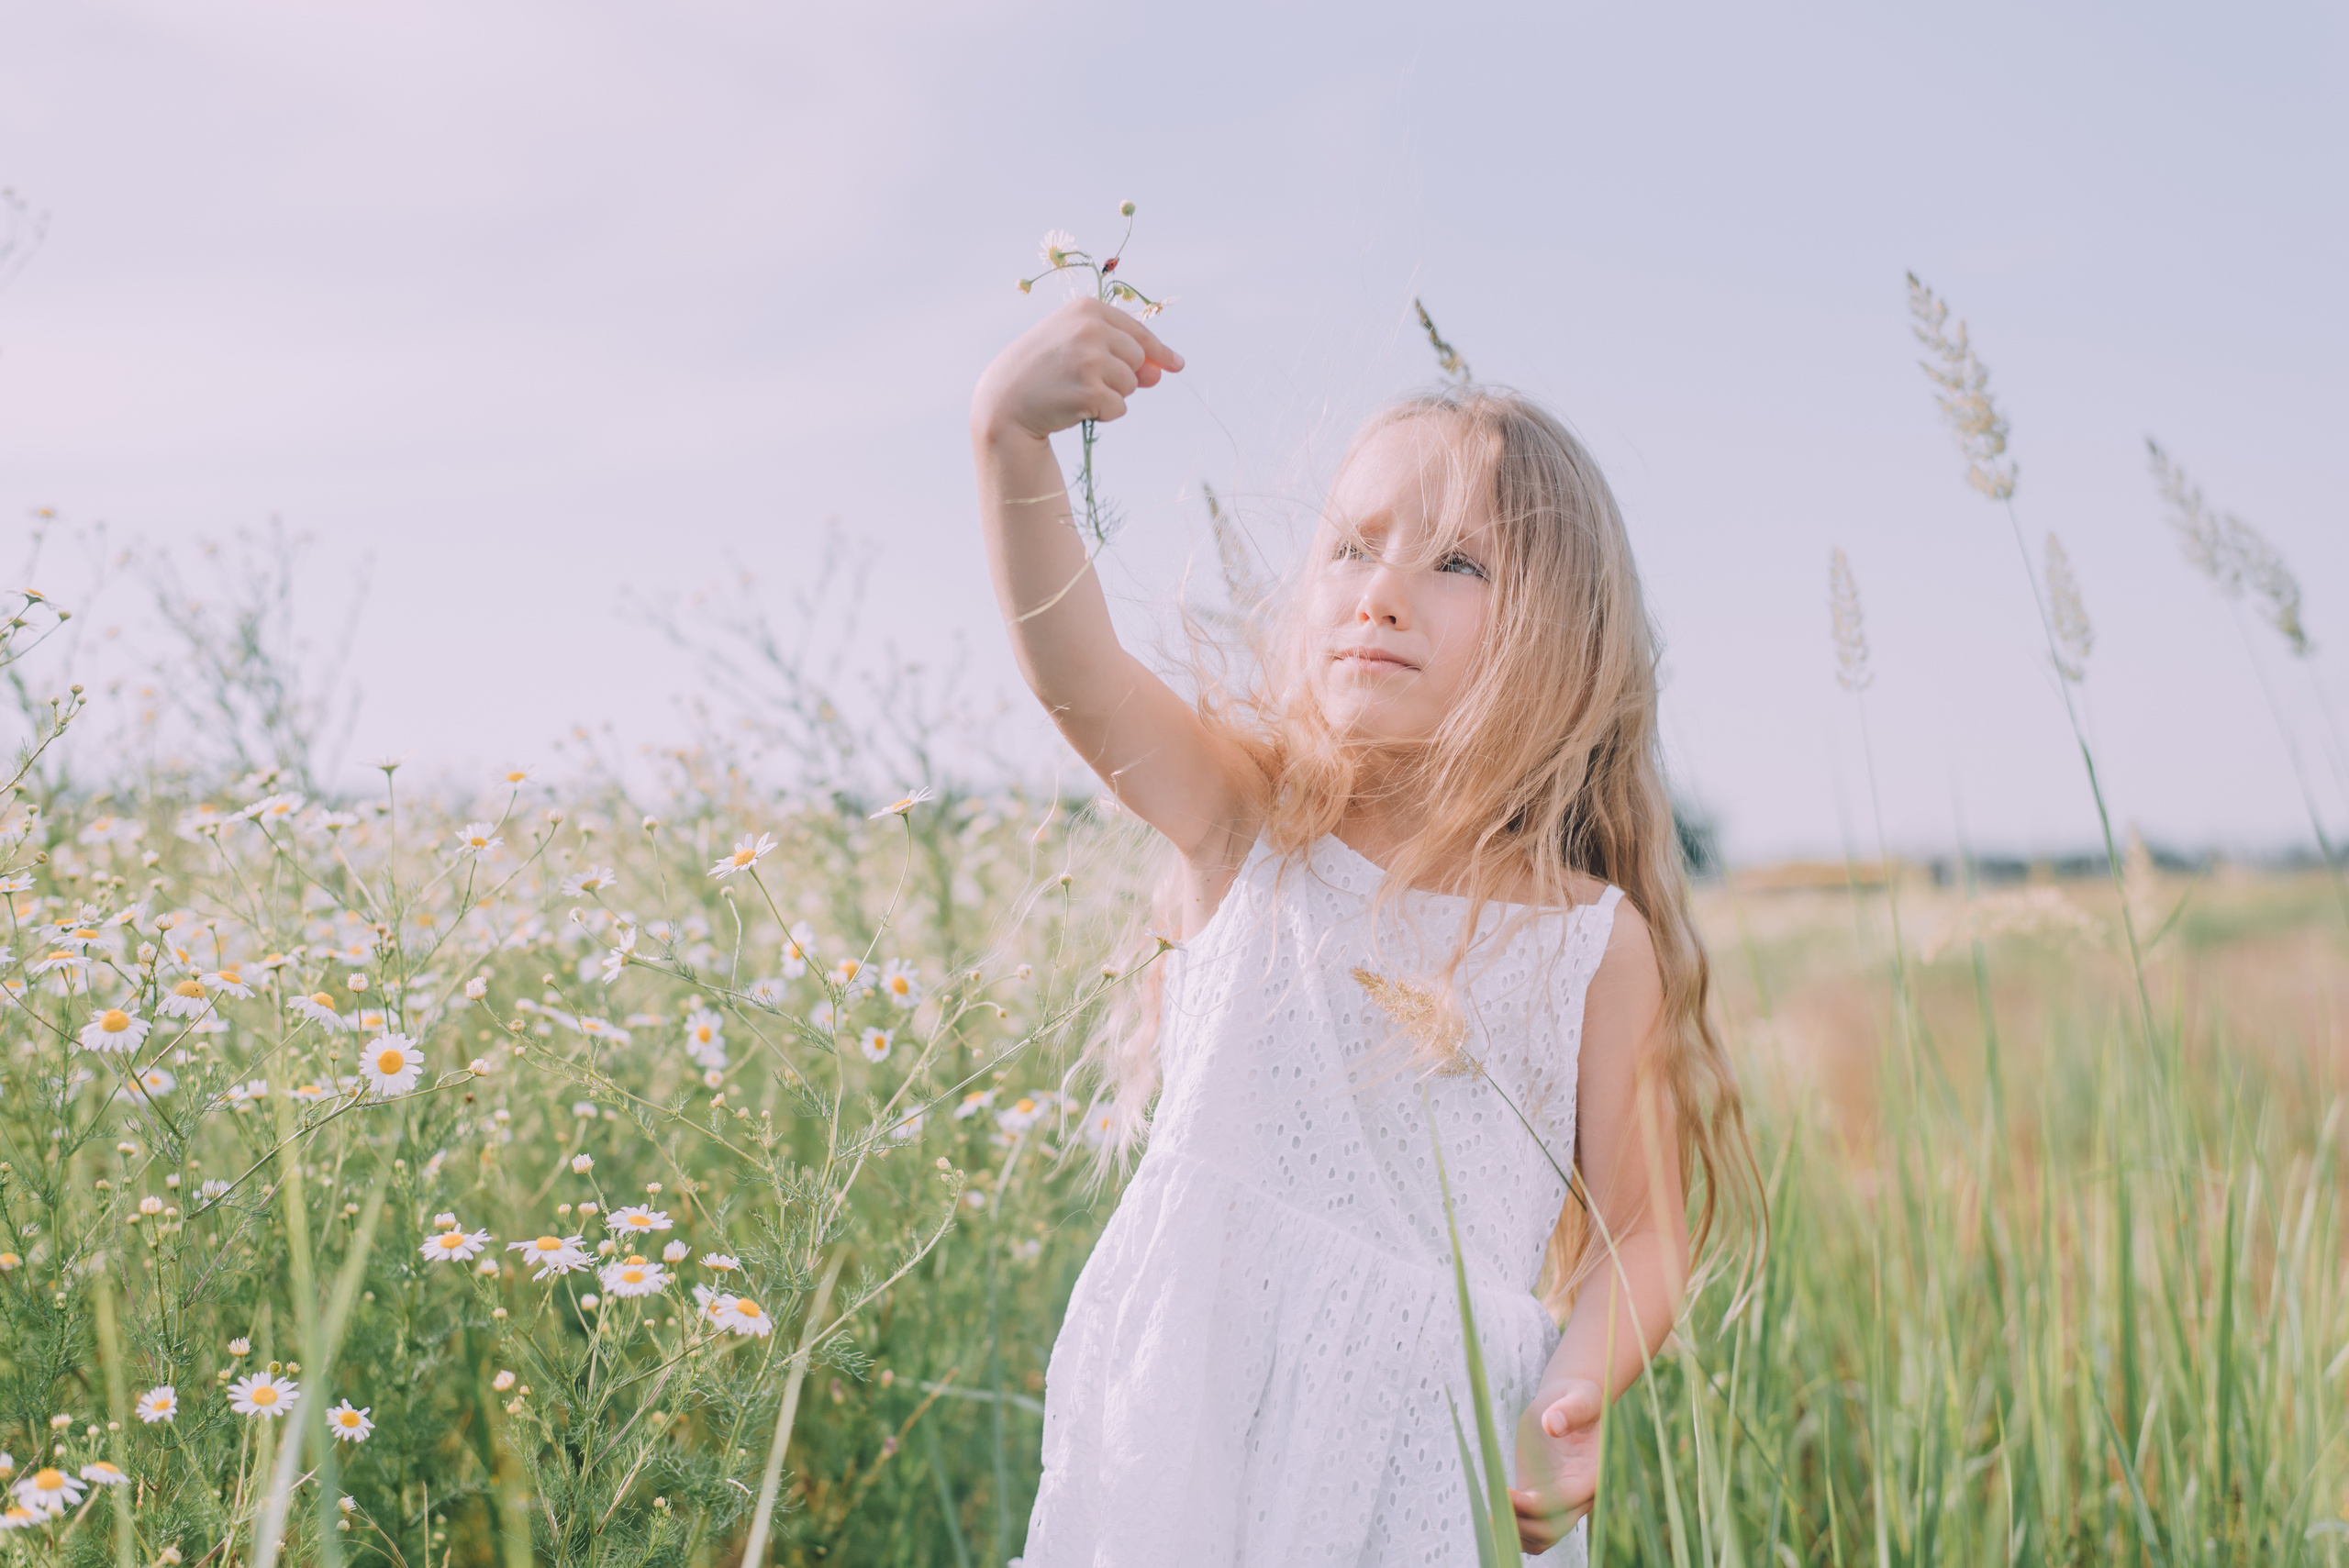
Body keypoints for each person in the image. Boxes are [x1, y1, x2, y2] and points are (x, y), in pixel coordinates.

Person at [972, 296, 1763, 1564]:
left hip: (1428, 1465)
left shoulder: (1590, 945)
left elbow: (1644, 1231)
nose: (1381, 594)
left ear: (1562, 634)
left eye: (1458, 564)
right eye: (1351, 547)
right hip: (1197, 1429)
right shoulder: (1248, 821)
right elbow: (1077, 672)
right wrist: (1007, 435)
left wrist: (1575, 1389)